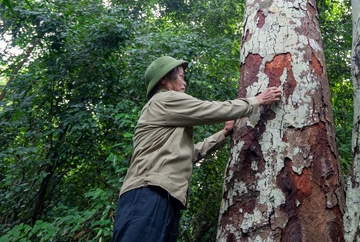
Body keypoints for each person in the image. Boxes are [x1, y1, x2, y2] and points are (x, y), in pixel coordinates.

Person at [112, 56, 282, 242]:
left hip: (163, 195)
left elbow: (188, 154)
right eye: (181, 77)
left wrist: (223, 134)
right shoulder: (164, 100)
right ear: (164, 79)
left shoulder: (167, 114)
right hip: (147, 193)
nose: (184, 83)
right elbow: (209, 109)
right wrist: (256, 101)